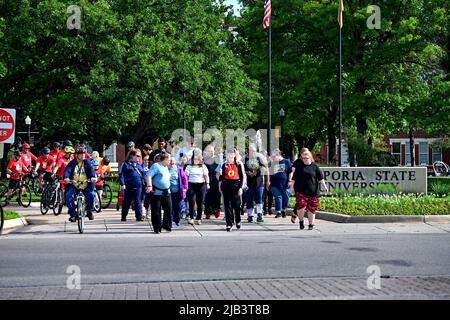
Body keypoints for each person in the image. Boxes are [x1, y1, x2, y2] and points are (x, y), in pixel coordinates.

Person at [291, 148, 329, 230]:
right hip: (301, 190)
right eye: (303, 158)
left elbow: (321, 178)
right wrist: (292, 187)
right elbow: (293, 179)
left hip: (313, 191)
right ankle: (301, 221)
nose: (305, 160)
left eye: (306, 158)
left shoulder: (315, 167)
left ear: (310, 158)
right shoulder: (299, 167)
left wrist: (324, 187)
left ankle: (311, 224)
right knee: (301, 206)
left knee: (312, 208)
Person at [64, 146, 97, 222]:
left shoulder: (87, 162)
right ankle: (73, 214)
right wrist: (66, 178)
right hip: (74, 184)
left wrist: (92, 177)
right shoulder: (72, 163)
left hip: (86, 184)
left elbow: (91, 170)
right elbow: (67, 171)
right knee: (68, 195)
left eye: (84, 153)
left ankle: (89, 211)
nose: (83, 155)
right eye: (81, 154)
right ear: (76, 155)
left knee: (92, 195)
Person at [146, 151, 173, 233]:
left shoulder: (166, 167)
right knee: (156, 211)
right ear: (164, 159)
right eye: (169, 160)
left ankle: (166, 225)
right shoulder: (156, 166)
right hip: (157, 193)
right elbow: (149, 175)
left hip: (167, 192)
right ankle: (157, 227)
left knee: (168, 209)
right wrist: (149, 186)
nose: (170, 161)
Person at [218, 148, 244, 232]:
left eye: (232, 154)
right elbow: (221, 178)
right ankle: (229, 223)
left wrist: (240, 187)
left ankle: (238, 220)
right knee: (228, 206)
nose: (230, 155)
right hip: (226, 186)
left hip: (236, 185)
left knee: (237, 205)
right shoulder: (224, 165)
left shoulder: (239, 164)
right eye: (228, 154)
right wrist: (220, 174)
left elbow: (242, 177)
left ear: (234, 155)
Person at [244, 144, 269, 223]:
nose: (253, 153)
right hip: (248, 183)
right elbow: (241, 169)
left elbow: (266, 167)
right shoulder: (245, 158)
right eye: (251, 151)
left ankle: (259, 214)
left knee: (259, 199)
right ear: (248, 151)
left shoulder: (259, 158)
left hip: (259, 183)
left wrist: (267, 180)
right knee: (249, 200)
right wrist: (247, 172)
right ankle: (250, 215)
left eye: (254, 151)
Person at [184, 150, 210, 225]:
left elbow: (206, 176)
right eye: (194, 159)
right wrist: (185, 186)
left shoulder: (203, 167)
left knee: (200, 202)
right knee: (191, 202)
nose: (196, 161)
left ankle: (198, 218)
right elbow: (186, 177)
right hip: (191, 185)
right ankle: (191, 217)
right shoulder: (189, 167)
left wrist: (207, 184)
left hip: (201, 185)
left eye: (197, 159)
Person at [119, 150, 145, 222]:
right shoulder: (125, 164)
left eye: (139, 156)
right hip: (128, 186)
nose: (139, 158)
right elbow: (121, 174)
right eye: (137, 156)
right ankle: (123, 216)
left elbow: (143, 174)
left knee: (138, 201)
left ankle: (139, 216)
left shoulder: (139, 165)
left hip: (138, 185)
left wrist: (146, 184)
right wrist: (122, 184)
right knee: (127, 201)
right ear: (132, 156)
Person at [269, 149, 292, 219]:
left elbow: (290, 171)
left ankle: (284, 210)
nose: (273, 158)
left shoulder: (286, 161)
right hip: (275, 184)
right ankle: (279, 212)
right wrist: (269, 181)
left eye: (274, 156)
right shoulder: (273, 163)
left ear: (278, 155)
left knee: (286, 197)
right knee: (278, 197)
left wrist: (289, 180)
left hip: (285, 184)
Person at [168, 157, 188, 226]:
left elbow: (185, 179)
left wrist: (185, 188)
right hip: (169, 192)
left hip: (178, 192)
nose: (171, 162)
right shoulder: (166, 169)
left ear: (175, 162)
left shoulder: (179, 169)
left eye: (172, 161)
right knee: (169, 207)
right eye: (170, 161)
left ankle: (177, 220)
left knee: (177, 207)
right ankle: (169, 221)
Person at [203, 145, 221, 219]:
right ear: (207, 152)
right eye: (209, 151)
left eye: (212, 150)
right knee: (208, 197)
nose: (211, 152)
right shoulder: (205, 160)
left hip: (216, 180)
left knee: (217, 196)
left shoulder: (218, 159)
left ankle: (217, 210)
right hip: (207, 180)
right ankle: (208, 212)